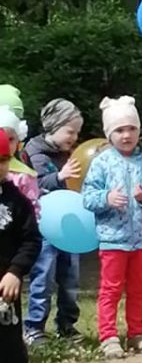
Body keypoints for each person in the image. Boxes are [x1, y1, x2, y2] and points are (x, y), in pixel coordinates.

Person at [81, 96, 142, 359]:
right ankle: (108, 336)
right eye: (119, 130)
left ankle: (137, 334)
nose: (126, 135)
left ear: (139, 131)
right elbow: (87, 197)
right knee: (111, 288)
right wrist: (106, 198)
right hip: (113, 239)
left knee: (138, 288)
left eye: (131, 128)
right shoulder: (102, 162)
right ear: (109, 134)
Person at [23, 99, 84, 346]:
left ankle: (67, 324)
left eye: (77, 132)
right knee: (44, 276)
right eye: (70, 131)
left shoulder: (71, 154)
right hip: (45, 225)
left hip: (70, 225)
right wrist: (60, 176)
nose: (74, 137)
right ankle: (34, 327)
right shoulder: (34, 153)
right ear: (53, 126)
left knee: (71, 276)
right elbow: (35, 184)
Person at [0, 129, 41, 363]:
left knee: (9, 350)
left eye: (3, 160)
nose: (0, 167)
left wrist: (15, 271)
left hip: (4, 293)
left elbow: (30, 241)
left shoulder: (17, 202)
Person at [0, 106, 39, 212]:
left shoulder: (24, 175)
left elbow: (32, 209)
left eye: (10, 139)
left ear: (18, 140)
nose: (6, 144)